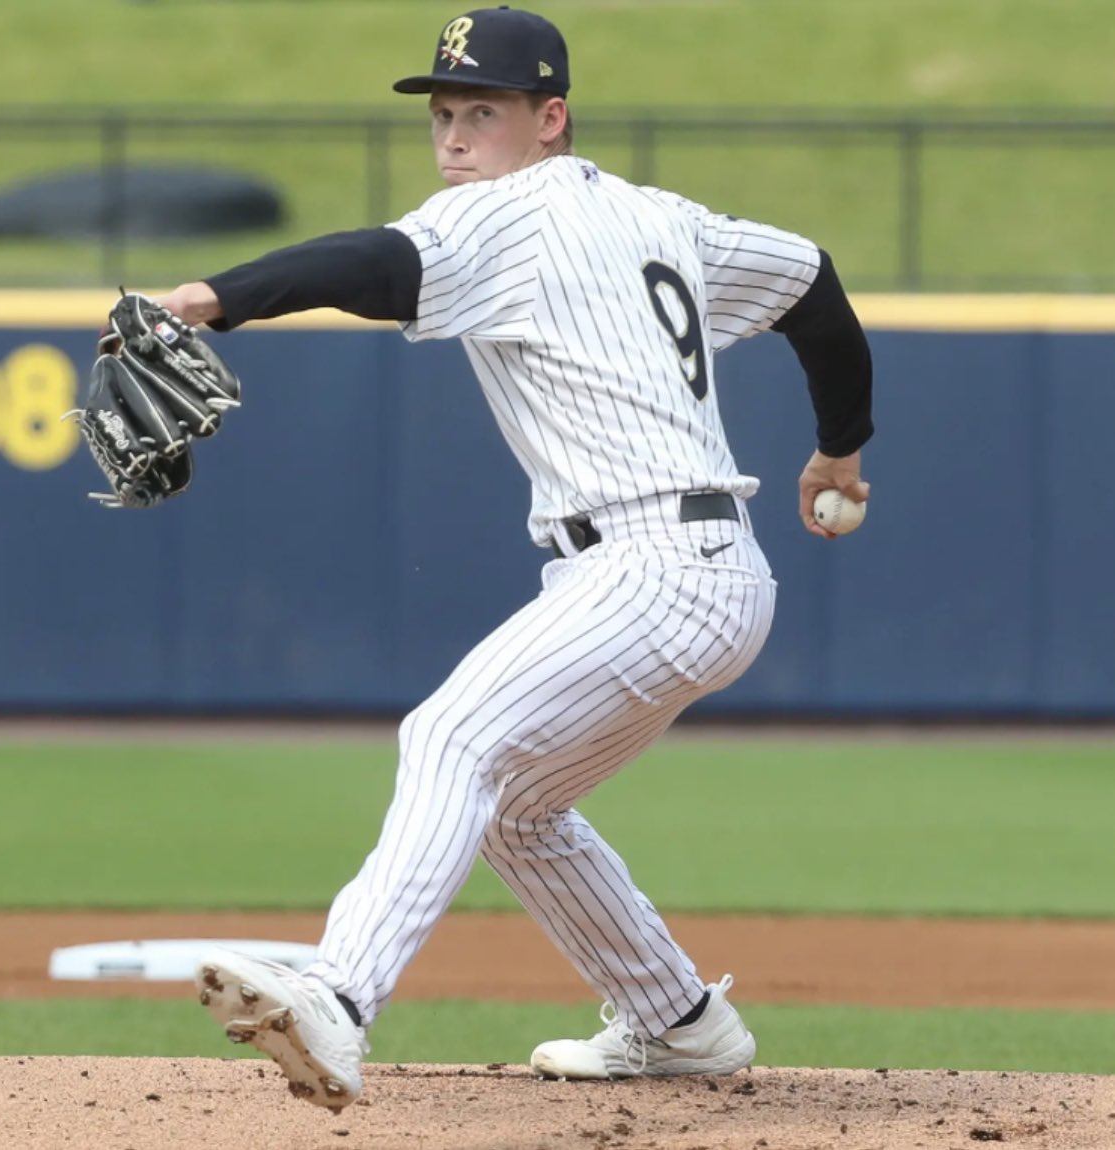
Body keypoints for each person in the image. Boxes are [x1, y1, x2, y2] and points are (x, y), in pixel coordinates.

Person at [176, 5, 873, 1115]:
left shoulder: (510, 217)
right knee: (515, 808)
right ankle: (677, 1021)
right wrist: (840, 449)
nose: (456, 138)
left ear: (549, 119)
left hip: (653, 564)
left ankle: (339, 998)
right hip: (702, 570)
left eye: (484, 113)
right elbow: (814, 287)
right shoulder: (660, 216)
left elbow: (380, 262)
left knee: (449, 735)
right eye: (445, 113)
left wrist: (214, 298)